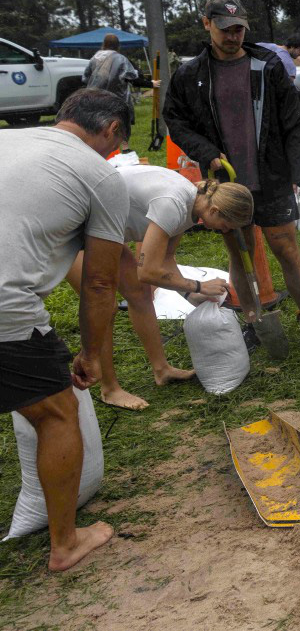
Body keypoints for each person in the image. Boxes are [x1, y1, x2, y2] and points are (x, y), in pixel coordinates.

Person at [0, 89, 132, 571]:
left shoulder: (8, 140)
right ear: (112, 130)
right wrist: (92, 355)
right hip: (4, 304)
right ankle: (65, 544)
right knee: (56, 412)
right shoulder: (100, 175)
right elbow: (100, 280)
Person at [162, 0, 300, 353]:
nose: (233, 36)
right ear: (207, 24)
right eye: (224, 28)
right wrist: (207, 153)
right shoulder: (191, 75)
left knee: (285, 246)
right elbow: (175, 121)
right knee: (239, 252)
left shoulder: (266, 66)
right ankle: (253, 321)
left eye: (239, 29)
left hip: (270, 174)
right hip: (226, 180)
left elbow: (293, 124)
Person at [63, 166, 252, 409]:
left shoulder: (193, 205)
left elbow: (165, 259)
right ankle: (109, 389)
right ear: (214, 210)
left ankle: (161, 369)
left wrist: (189, 293)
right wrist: (198, 284)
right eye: (225, 225)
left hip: (104, 231)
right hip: (74, 228)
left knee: (140, 294)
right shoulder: (173, 204)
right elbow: (148, 271)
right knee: (103, 305)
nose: (223, 231)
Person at [83, 33, 159, 113]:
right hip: (116, 104)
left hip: (95, 101)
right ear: (118, 45)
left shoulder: (94, 58)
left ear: (104, 44)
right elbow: (134, 80)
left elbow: (85, 79)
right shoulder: (121, 59)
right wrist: (151, 84)